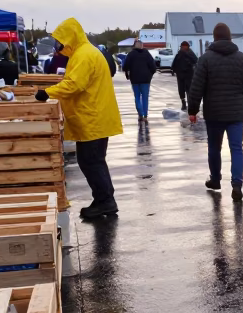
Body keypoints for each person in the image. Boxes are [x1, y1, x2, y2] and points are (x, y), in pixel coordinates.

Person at [35, 18, 123, 219]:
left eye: (59, 40)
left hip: (92, 117)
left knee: (91, 161)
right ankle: (103, 199)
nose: (58, 45)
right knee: (94, 161)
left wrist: (47, 93)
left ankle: (106, 201)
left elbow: (74, 84)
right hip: (94, 117)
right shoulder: (84, 52)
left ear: (69, 37)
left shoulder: (84, 55)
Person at [187, 23, 243, 202]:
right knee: (236, 148)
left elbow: (196, 87)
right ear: (230, 37)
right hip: (236, 113)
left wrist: (193, 110)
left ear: (214, 37)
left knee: (214, 148)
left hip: (214, 112)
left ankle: (216, 180)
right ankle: (237, 184)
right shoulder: (242, 59)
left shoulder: (205, 59)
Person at [122, 39, 158, 121]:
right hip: (146, 80)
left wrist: (128, 73)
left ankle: (140, 114)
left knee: (137, 97)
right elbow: (153, 67)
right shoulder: (146, 54)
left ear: (134, 46)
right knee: (145, 97)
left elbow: (125, 67)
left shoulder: (131, 54)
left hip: (134, 79)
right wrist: (150, 75)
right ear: (142, 45)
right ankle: (145, 115)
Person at [171, 40, 198, 111]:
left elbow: (196, 61)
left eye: (183, 47)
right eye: (181, 47)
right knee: (181, 90)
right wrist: (173, 70)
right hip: (180, 75)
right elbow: (174, 63)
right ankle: (183, 103)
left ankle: (189, 103)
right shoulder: (179, 54)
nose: (182, 48)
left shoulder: (190, 53)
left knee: (189, 89)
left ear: (187, 47)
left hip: (188, 74)